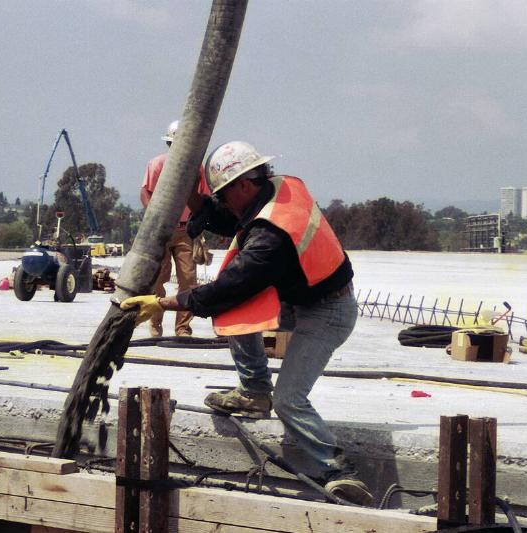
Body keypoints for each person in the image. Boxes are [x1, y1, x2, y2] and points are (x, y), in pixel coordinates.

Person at [122, 141, 371, 505]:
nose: (220, 200)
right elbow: (229, 219)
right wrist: (195, 197)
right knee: (236, 316)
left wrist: (163, 302)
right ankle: (254, 392)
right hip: (302, 294)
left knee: (289, 400)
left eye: (222, 193)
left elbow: (229, 288)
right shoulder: (278, 188)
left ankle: (339, 469)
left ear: (243, 185)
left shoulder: (272, 234)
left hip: (328, 310)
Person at [140, 119, 210, 337]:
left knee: (188, 280)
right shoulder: (157, 164)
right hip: (162, 230)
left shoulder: (196, 168)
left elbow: (204, 197)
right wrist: (156, 219)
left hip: (185, 230)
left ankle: (182, 328)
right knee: (158, 279)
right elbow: (146, 193)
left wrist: (199, 228)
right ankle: (155, 322)